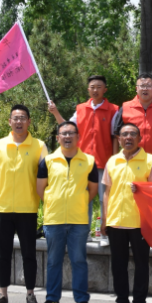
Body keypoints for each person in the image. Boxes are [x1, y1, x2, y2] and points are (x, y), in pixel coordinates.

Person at [0, 104, 48, 303]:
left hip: (27, 208)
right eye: (15, 118)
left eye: (23, 118)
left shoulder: (39, 146)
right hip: (3, 207)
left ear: (29, 122)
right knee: (2, 254)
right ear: (9, 122)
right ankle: (2, 294)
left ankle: (30, 294)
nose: (19, 121)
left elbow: (44, 176)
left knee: (28, 254)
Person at [35, 121, 98, 303]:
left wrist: (78, 202)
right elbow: (41, 188)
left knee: (78, 260)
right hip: (54, 219)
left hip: (79, 220)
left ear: (78, 137)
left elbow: (93, 190)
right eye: (64, 133)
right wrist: (54, 202)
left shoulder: (89, 161)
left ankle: (82, 300)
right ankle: (52, 299)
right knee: (53, 261)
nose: (67, 137)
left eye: (71, 133)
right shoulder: (47, 161)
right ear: (58, 138)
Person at [102, 122, 152, 303]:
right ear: (119, 139)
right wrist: (104, 218)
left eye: (133, 134)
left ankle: (139, 301)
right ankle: (121, 300)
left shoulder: (150, 160)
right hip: (116, 221)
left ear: (139, 138)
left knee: (141, 263)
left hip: (139, 221)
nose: (128, 137)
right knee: (118, 264)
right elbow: (107, 192)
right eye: (124, 134)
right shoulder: (112, 161)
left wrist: (143, 191)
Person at [48, 75, 118, 229]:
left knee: (105, 198)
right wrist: (55, 112)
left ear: (105, 90)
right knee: (83, 198)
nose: (95, 90)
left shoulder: (113, 110)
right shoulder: (81, 109)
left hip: (104, 162)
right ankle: (83, 232)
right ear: (88, 89)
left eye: (99, 87)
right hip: (83, 162)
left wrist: (114, 161)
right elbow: (66, 127)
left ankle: (105, 232)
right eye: (92, 87)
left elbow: (115, 137)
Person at [112, 74, 152, 172]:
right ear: (136, 88)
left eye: (149, 86)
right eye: (142, 86)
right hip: (131, 161)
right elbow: (117, 134)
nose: (145, 89)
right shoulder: (126, 107)